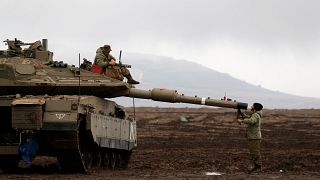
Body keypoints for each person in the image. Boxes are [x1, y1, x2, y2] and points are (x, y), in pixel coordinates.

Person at [237, 102, 263, 173]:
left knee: (255, 152)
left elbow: (251, 121)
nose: (251, 107)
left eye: (252, 106)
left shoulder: (256, 115)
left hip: (254, 137)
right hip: (253, 137)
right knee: (253, 152)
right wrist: (242, 114)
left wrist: (242, 121)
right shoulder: (255, 114)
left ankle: (258, 167)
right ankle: (256, 166)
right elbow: (249, 117)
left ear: (254, 108)